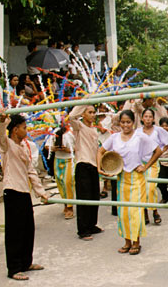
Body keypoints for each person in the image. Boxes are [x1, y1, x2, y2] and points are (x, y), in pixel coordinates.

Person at [97, 110, 162, 255]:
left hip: (137, 178)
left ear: (133, 122)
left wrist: (146, 166)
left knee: (135, 211)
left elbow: (158, 151)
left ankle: (136, 242)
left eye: (128, 122)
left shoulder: (140, 136)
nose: (125, 125)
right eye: (123, 122)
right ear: (119, 123)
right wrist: (99, 167)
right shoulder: (114, 137)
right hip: (121, 178)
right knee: (123, 212)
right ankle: (126, 241)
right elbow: (100, 151)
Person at [0, 113, 48, 281]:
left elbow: (31, 171)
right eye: (24, 128)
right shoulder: (7, 145)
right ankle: (14, 268)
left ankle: (26, 263)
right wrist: (3, 120)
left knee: (27, 229)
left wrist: (41, 192)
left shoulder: (24, 147)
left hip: (24, 192)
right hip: (12, 191)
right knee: (14, 232)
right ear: (15, 129)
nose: (27, 130)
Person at [68, 102, 103, 241]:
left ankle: (91, 224)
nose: (93, 115)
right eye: (89, 112)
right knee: (84, 198)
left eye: (94, 112)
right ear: (83, 114)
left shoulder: (94, 130)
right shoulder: (79, 127)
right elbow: (71, 116)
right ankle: (83, 229)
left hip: (93, 165)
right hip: (83, 164)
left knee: (95, 197)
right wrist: (85, 101)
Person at [136, 108, 168, 224]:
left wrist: (163, 150)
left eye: (150, 117)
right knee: (142, 189)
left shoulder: (158, 130)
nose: (148, 119)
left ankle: (154, 211)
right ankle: (145, 212)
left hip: (152, 163)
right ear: (142, 118)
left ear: (153, 118)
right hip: (140, 164)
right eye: (145, 116)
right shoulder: (137, 132)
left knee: (151, 188)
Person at [46, 125, 75, 220]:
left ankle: (70, 207)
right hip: (58, 160)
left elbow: (77, 147)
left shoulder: (71, 133)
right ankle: (65, 204)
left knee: (67, 183)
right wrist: (55, 148)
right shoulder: (55, 132)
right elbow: (47, 146)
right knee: (60, 183)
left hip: (69, 160)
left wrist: (67, 149)